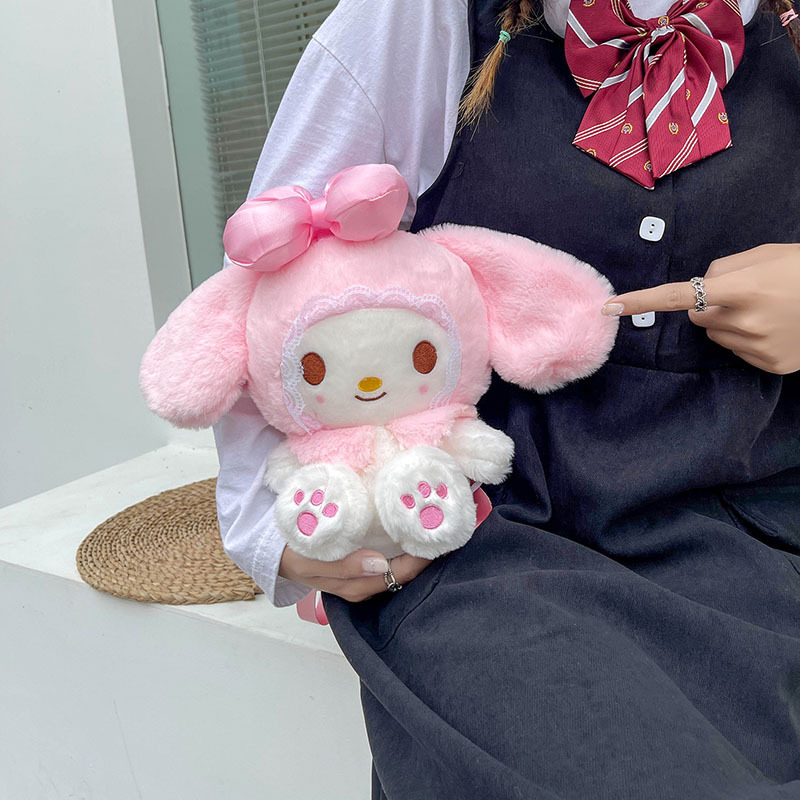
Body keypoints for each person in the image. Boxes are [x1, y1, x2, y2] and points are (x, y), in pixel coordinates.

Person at [212, 0, 800, 796]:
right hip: (492, 540)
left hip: (761, 528)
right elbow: (277, 257)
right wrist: (271, 525)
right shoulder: (421, 16)